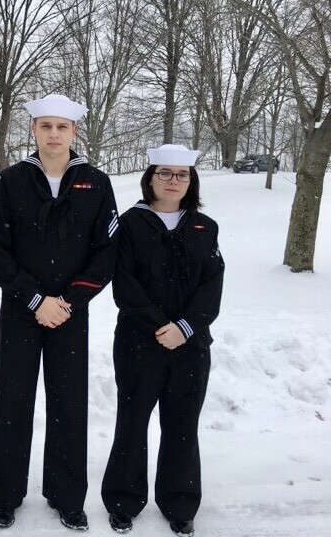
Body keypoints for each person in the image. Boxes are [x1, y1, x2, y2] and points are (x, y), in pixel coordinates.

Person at [0, 94, 119, 530]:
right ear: (34, 131)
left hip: (69, 313)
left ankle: (66, 496)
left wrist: (68, 302)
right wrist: (33, 299)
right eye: (46, 126)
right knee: (13, 403)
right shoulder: (10, 181)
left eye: (62, 127)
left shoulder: (96, 184)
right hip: (22, 310)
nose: (54, 134)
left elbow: (106, 251)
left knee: (68, 404)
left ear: (75, 132)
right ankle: (6, 495)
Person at [101, 144, 224, 537]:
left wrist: (185, 328)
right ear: (150, 178)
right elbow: (125, 286)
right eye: (165, 173)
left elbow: (212, 286)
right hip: (140, 343)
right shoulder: (130, 224)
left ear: (192, 181)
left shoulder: (205, 228)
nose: (174, 181)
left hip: (191, 347)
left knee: (182, 424)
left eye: (182, 174)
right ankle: (123, 500)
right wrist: (161, 326)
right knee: (132, 422)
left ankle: (180, 502)